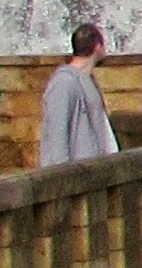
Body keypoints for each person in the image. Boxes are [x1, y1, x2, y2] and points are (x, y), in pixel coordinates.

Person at [38, 20, 118, 166]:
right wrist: (62, 179)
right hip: (72, 178)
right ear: (98, 47)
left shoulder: (87, 80)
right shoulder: (63, 83)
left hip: (92, 173)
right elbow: (58, 134)